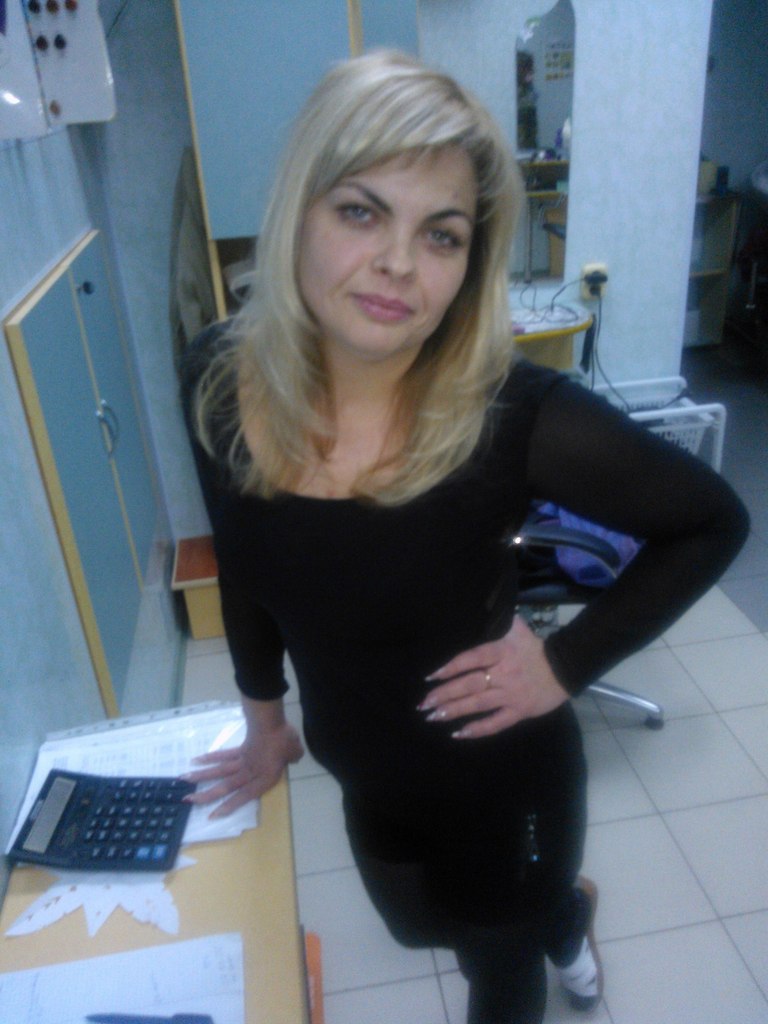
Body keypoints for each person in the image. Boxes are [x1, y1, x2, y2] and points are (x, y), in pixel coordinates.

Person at [180, 51, 749, 1024]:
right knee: (416, 928)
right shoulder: (220, 379)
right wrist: (265, 719)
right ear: (296, 211)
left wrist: (565, 662)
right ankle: (566, 913)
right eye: (360, 211)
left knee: (498, 969)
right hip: (362, 767)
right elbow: (244, 558)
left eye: (440, 234)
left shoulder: (511, 415)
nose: (399, 263)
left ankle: (547, 918)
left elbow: (713, 522)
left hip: (505, 779)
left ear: (468, 265)